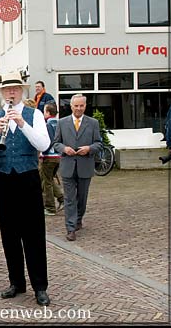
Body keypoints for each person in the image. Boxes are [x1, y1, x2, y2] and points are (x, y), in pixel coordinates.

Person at [0, 71, 51, 307]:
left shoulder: (35, 114)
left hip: (27, 176)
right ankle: (16, 282)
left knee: (34, 234)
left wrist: (22, 124)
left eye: (15, 89)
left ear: (22, 91)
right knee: (9, 234)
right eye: (7, 90)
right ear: (1, 93)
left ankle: (40, 286)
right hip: (3, 178)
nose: (11, 93)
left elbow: (44, 144)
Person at [53, 94, 102, 242]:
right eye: (76, 106)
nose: (79, 108)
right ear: (71, 106)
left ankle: (78, 219)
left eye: (81, 106)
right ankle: (70, 228)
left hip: (85, 165)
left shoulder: (93, 123)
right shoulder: (62, 123)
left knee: (82, 198)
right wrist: (64, 148)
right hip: (68, 165)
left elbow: (99, 144)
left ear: (85, 106)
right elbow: (56, 143)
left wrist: (89, 148)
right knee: (69, 199)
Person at [39, 102, 64, 216]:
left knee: (47, 182)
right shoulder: (60, 124)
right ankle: (62, 198)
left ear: (48, 113)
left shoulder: (47, 125)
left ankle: (50, 207)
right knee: (49, 179)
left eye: (44, 111)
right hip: (58, 156)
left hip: (49, 156)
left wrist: (42, 152)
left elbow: (48, 141)